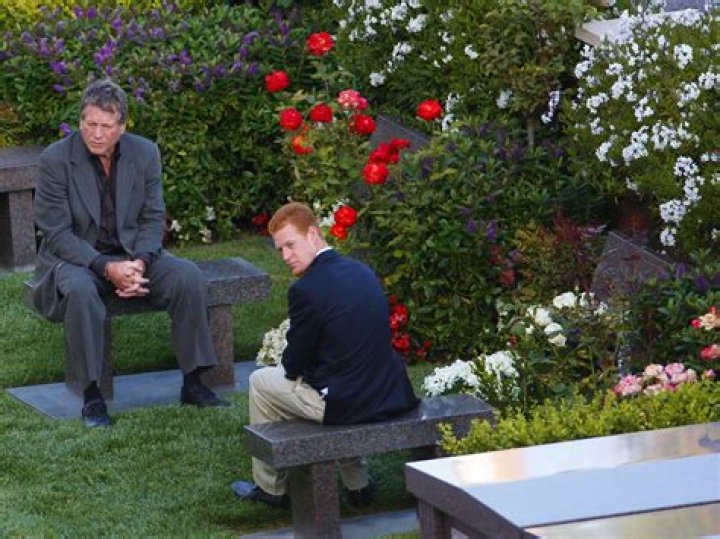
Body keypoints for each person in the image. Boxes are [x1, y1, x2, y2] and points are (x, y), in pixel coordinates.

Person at [31, 79, 229, 428]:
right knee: (80, 290)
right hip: (77, 258)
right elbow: (57, 233)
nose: (96, 134)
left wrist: (139, 262)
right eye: (90, 123)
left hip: (132, 253)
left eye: (106, 126)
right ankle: (92, 396)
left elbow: (152, 217)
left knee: (187, 276)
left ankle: (194, 382)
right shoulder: (55, 160)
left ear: (122, 127)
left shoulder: (145, 153)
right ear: (80, 121)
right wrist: (106, 267)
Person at [231, 202, 419, 508]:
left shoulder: (306, 290)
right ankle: (358, 485)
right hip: (389, 392)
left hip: (349, 404)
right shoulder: (361, 270)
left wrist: (304, 369)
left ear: (313, 234)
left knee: (261, 381)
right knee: (337, 377)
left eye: (291, 245)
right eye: (280, 250)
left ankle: (270, 488)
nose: (286, 256)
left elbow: (292, 365)